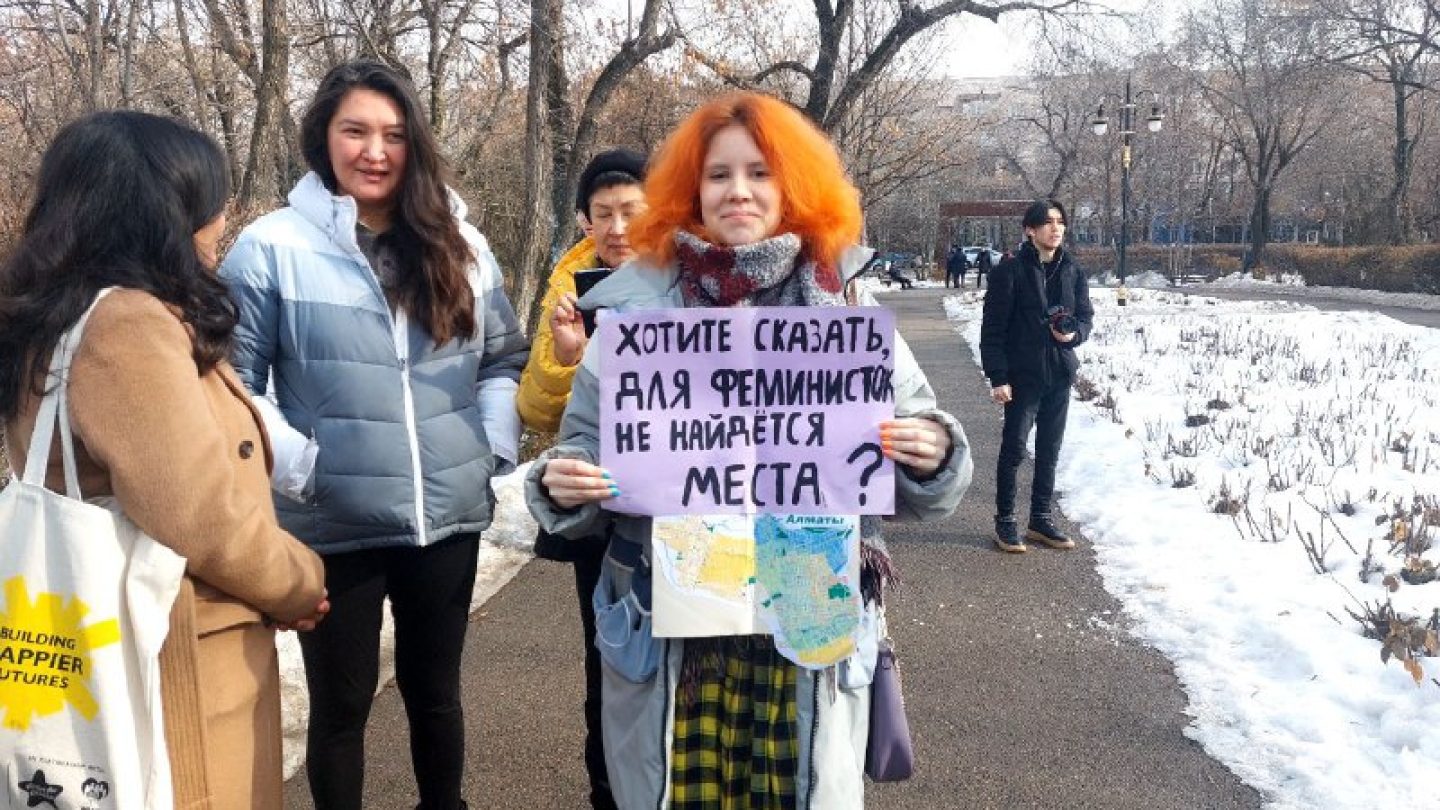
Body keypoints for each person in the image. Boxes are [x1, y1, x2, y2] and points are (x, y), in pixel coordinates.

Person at [524, 91, 972, 809]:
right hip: (673, 634)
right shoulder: (636, 315)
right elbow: (582, 447)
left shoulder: (844, 309)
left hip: (805, 629)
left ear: (793, 185)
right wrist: (563, 482)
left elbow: (923, 448)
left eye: (761, 173)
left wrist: (933, 451)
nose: (738, 190)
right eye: (719, 174)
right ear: (690, 189)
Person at [219, 60, 528, 809]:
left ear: (414, 141)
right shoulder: (271, 247)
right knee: (341, 709)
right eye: (354, 131)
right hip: (332, 520)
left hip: (445, 514)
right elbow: (234, 384)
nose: (375, 151)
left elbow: (501, 358)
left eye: (393, 134)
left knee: (436, 694)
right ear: (322, 137)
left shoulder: (461, 242)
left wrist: (489, 449)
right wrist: (302, 468)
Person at [0, 111, 328, 807]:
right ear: (164, 213)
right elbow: (198, 513)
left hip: (106, 639)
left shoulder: (54, 314)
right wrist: (298, 581)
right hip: (174, 656)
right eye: (210, 204)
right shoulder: (126, 323)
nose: (220, 223)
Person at [516, 147, 648, 810]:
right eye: (604, 214)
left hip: (683, 512)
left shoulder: (693, 281)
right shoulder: (570, 285)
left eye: (632, 211)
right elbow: (536, 410)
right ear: (584, 220)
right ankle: (608, 791)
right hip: (601, 515)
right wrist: (573, 361)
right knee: (610, 661)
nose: (618, 228)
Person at [979, 199, 1094, 553]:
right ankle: (1005, 521)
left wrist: (1073, 335)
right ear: (1030, 230)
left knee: (1049, 450)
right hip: (1022, 377)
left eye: (1060, 221)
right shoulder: (1009, 272)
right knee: (1014, 449)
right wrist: (998, 377)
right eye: (1047, 222)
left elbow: (1086, 318)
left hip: (1059, 373)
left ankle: (1040, 519)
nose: (1055, 228)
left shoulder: (1072, 270)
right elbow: (992, 330)